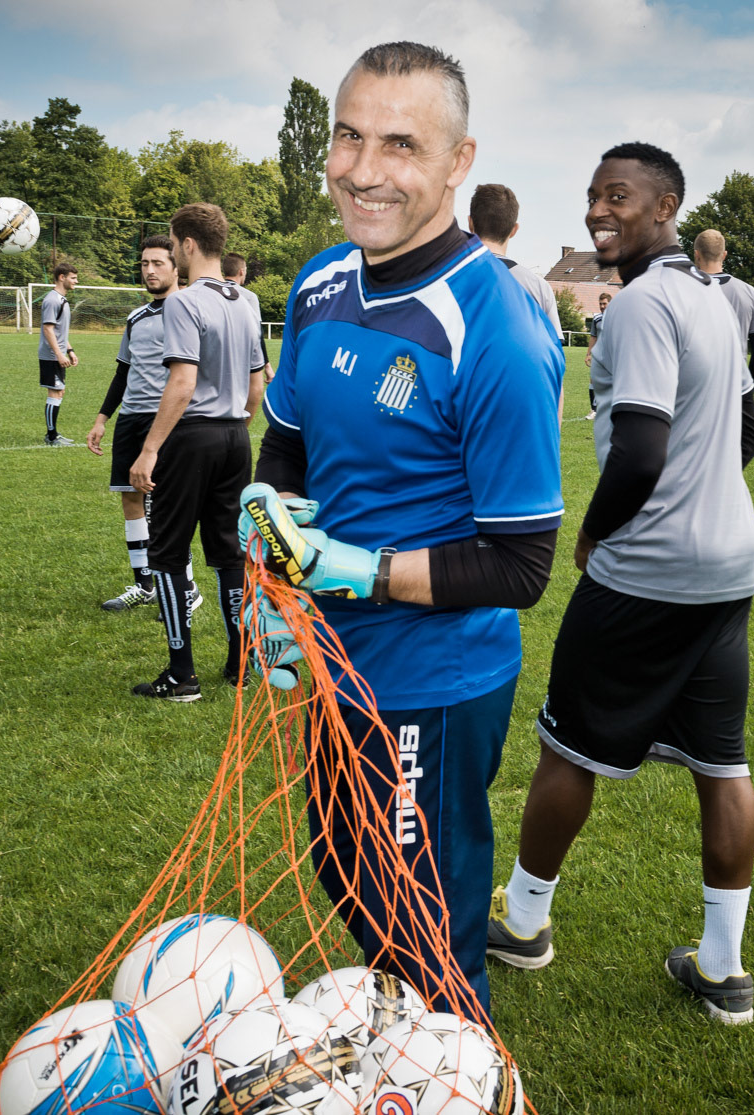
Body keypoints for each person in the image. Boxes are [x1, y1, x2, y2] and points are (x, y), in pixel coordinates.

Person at [240, 41, 563, 1016]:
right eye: (347, 135)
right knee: (347, 872)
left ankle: (462, 1068)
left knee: (426, 931)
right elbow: (286, 445)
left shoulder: (496, 328)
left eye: (400, 144)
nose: (363, 170)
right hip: (334, 661)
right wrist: (272, 565)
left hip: (433, 685)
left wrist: (353, 570)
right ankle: (405, 1049)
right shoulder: (321, 283)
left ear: (458, 163)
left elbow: (520, 561)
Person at [484, 143, 754, 1026]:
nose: (601, 210)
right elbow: (745, 432)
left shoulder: (643, 304)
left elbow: (641, 447)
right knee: (723, 764)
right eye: (594, 196)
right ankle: (723, 969)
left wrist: (598, 530)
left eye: (621, 196)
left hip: (648, 572)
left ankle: (524, 921)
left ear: (667, 205)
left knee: (568, 747)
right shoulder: (714, 297)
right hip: (729, 568)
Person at [128, 203, 267, 700]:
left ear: (186, 245)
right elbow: (257, 387)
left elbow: (182, 383)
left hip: (192, 438)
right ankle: (240, 663)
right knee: (230, 553)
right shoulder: (247, 302)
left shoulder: (183, 303)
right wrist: (235, 430)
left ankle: (181, 675)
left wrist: (149, 450)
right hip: (236, 437)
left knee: (166, 554)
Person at [86, 235, 202, 614]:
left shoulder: (189, 309)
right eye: (144, 264)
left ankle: (187, 587)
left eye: (158, 263)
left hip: (166, 421)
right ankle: (144, 585)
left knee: (165, 506)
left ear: (176, 267)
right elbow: (123, 372)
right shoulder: (135, 318)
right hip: (131, 420)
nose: (149, 270)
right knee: (131, 500)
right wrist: (103, 419)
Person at [468, 183, 561, 334]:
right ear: (514, 230)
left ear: (470, 223)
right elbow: (554, 348)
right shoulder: (538, 287)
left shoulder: (443, 278)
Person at [692, 229, 754, 387]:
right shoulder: (748, 291)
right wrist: (748, 390)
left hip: (694, 388)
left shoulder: (682, 289)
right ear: (724, 255)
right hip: (735, 385)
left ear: (696, 254)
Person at [39, 262, 79, 446]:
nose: (76, 281)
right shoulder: (52, 300)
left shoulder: (61, 300)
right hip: (51, 356)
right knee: (55, 392)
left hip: (58, 354)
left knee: (59, 391)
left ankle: (54, 434)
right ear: (62, 277)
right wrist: (59, 354)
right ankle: (51, 436)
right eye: (73, 278)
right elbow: (48, 329)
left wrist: (69, 351)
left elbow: (59, 332)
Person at [222, 252, 273, 382]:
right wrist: (267, 366)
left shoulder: (212, 293)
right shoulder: (249, 297)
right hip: (241, 360)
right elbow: (258, 333)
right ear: (241, 271)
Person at [584, 290, 612, 418]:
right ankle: (594, 409)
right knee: (593, 380)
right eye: (600, 304)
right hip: (598, 355)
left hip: (613, 355)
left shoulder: (617, 317)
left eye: (604, 304)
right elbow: (593, 337)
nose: (602, 306)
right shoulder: (596, 319)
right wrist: (588, 354)